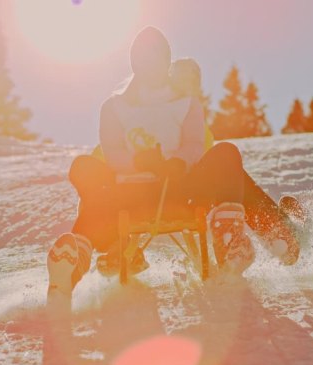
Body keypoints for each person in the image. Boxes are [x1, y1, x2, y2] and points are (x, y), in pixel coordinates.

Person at [47, 26, 298, 304]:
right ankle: (75, 258)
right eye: (144, 59)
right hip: (128, 196)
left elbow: (195, 147)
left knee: (226, 156)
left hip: (181, 190)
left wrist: (178, 162)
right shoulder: (116, 108)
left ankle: (242, 239)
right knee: (84, 168)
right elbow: (108, 155)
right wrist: (136, 162)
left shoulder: (187, 106)